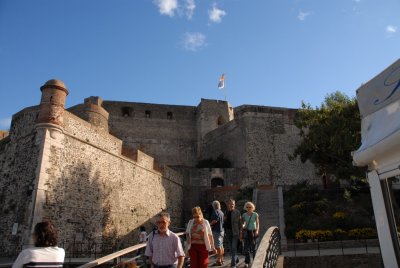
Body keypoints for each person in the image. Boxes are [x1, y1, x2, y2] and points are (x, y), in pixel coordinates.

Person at [240, 202, 260, 268]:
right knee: (246, 248)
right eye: (247, 207)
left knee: (254, 248)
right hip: (247, 232)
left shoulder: (255, 214)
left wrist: (257, 230)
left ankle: (255, 261)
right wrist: (243, 226)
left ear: (252, 208)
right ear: (246, 208)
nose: (248, 208)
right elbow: (243, 223)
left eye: (250, 207)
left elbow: (257, 224)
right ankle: (247, 262)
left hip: (254, 232)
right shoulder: (244, 215)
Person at [224, 199, 242, 268]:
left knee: (234, 248)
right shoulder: (226, 212)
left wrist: (240, 233)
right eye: (230, 204)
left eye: (233, 204)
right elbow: (225, 223)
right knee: (231, 249)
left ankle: (233, 264)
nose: (231, 205)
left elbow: (240, 224)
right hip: (228, 232)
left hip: (235, 232)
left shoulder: (237, 212)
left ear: (234, 205)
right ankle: (236, 259)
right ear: (228, 204)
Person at [210, 200, 224, 266]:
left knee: (218, 246)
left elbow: (215, 220)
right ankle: (221, 259)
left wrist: (209, 225)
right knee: (221, 245)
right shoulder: (221, 212)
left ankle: (219, 260)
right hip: (222, 231)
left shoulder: (215, 211)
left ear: (214, 205)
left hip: (217, 230)